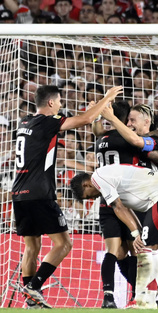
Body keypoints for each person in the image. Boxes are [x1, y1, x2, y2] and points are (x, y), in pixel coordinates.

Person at [11, 85, 123, 309]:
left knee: (31, 247)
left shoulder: (24, 122)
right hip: (40, 194)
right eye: (60, 101)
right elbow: (86, 119)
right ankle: (34, 286)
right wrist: (107, 98)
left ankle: (31, 301)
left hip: (19, 194)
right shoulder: (47, 121)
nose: (61, 105)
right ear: (51, 103)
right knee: (64, 244)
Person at [101, 104, 158, 308]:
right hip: (152, 200)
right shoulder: (147, 142)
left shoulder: (154, 142)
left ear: (146, 122)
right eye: (127, 121)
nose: (129, 124)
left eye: (133, 121)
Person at [70, 164, 158, 309]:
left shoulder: (98, 178)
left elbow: (118, 207)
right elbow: (126, 209)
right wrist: (138, 231)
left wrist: (137, 234)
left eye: (89, 195)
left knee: (146, 248)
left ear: (86, 184)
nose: (93, 198)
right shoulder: (113, 180)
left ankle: (144, 300)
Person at [92, 100, 143, 308]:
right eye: (129, 119)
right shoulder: (127, 138)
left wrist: (98, 113)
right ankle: (137, 294)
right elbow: (138, 142)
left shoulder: (101, 139)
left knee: (115, 252)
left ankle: (109, 297)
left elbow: (96, 129)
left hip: (107, 201)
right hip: (128, 201)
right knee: (134, 250)